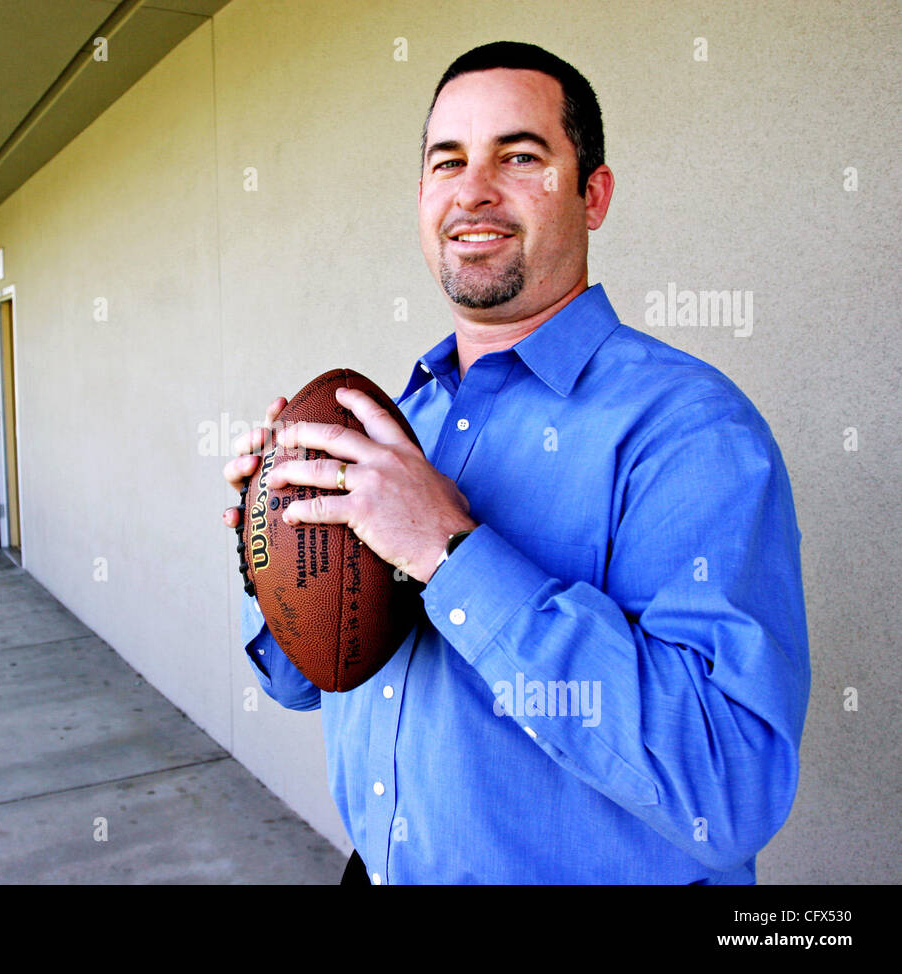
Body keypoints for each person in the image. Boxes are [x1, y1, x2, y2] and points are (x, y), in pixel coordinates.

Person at [220, 41, 811, 885]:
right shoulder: (396, 423)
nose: (473, 190)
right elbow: (302, 683)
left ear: (592, 194)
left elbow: (730, 785)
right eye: (447, 161)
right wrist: (270, 554)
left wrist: (453, 554)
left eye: (520, 156)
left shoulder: (691, 430)